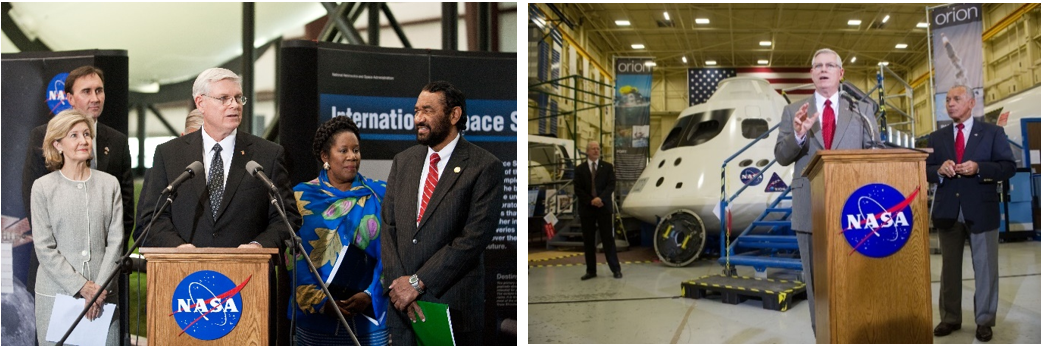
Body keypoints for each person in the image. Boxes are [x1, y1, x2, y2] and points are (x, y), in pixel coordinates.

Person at [380, 81, 503, 345]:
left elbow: (472, 239)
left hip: (450, 305)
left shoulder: (484, 167)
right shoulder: (404, 162)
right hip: (401, 308)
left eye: (427, 110)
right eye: (416, 111)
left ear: (454, 115)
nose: (418, 119)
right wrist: (399, 286)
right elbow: (388, 227)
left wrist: (417, 283)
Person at [773, 48, 878, 336]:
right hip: (810, 205)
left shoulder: (862, 110)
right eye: (817, 65)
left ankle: (854, 333)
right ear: (811, 74)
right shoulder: (793, 111)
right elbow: (782, 156)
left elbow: (875, 155)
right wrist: (798, 135)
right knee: (816, 283)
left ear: (840, 73)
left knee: (854, 278)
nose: (823, 69)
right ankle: (822, 335)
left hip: (854, 209)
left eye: (830, 65)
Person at [136, 67, 300, 248]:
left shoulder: (268, 154)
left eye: (238, 98)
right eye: (224, 98)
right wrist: (178, 248)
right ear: (200, 103)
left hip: (248, 271)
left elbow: (286, 218)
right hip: (186, 271)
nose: (234, 105)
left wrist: (258, 246)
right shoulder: (168, 154)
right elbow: (153, 217)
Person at [21, 65, 133, 296]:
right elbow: (35, 208)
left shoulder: (118, 141)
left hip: (105, 271)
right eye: (87, 91)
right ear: (70, 98)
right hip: (57, 274)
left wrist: (106, 264)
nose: (95, 98)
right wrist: (74, 280)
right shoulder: (42, 136)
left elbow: (126, 211)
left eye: (99, 91)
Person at [926, 85, 1015, 342]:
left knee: (986, 269)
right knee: (949, 269)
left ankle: (984, 321)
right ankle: (950, 318)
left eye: (956, 99)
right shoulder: (937, 137)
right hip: (948, 212)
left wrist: (979, 168)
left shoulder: (992, 133)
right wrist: (938, 171)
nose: (950, 103)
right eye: (948, 100)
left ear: (971, 103)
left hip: (981, 210)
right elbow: (925, 169)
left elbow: (1007, 167)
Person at [290, 116, 389, 345]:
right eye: (343, 150)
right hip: (317, 324)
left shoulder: (380, 193)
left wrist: (370, 293)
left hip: (369, 324)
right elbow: (293, 258)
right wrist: (321, 301)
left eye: (356, 150)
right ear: (326, 157)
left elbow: (393, 251)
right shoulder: (301, 198)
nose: (352, 156)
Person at [31, 109, 123, 345]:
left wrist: (99, 289)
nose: (83, 141)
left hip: (103, 296)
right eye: (74, 135)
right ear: (57, 144)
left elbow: (116, 241)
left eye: (86, 134)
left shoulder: (109, 184)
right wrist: (82, 287)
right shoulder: (42, 188)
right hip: (56, 296)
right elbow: (44, 248)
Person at [575, 141, 622, 280]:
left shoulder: (607, 167)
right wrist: (591, 200)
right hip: (587, 209)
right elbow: (578, 189)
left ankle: (616, 269)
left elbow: (611, 185)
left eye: (598, 148)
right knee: (588, 241)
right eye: (593, 149)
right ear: (587, 151)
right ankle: (591, 271)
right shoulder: (579, 169)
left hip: (603, 207)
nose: (596, 151)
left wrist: (600, 198)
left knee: (608, 239)